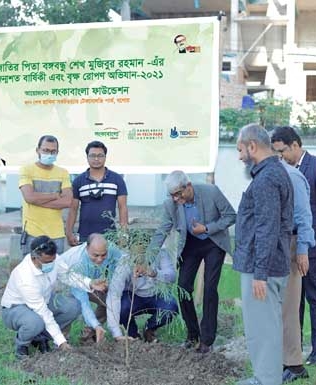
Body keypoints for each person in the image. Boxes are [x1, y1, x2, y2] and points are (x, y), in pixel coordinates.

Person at [271, 126, 316, 366]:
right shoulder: (280, 170)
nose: (280, 156)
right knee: (293, 299)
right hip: (287, 244)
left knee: (315, 295)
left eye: (282, 151)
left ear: (296, 146)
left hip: (313, 243)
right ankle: (294, 349)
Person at [148, 170, 236, 354]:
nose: (175, 199)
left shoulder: (211, 192)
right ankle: (192, 334)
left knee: (210, 289)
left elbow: (230, 215)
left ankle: (207, 339)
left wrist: (208, 228)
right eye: (172, 195)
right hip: (190, 244)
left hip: (213, 242)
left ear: (188, 186)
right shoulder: (170, 204)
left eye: (178, 194)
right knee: (183, 288)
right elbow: (161, 232)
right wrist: (147, 259)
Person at [234, 124, 293, 385]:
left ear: (252, 146)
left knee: (262, 328)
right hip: (266, 266)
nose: (239, 156)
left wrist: (260, 273)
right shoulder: (271, 173)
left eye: (240, 150)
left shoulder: (267, 179)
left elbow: (267, 228)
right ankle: (265, 376)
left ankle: (266, 380)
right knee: (266, 326)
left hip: (262, 270)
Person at [1, 235, 105, 359]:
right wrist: (61, 341)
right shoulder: (25, 277)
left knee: (73, 307)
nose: (51, 264)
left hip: (45, 300)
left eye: (53, 260)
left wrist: (90, 283)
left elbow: (69, 276)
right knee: (35, 322)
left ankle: (41, 337)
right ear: (35, 258)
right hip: (16, 308)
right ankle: (22, 344)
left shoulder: (54, 260)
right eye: (47, 262)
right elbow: (43, 313)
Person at [277, 158, 316, 383]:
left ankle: (295, 365)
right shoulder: (266, 173)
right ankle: (283, 359)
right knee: (278, 307)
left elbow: (303, 217)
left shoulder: (291, 176)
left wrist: (302, 250)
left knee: (289, 307)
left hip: (290, 244)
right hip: (276, 245)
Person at [59, 233, 123, 343]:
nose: (99, 259)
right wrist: (95, 323)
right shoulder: (77, 261)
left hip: (95, 283)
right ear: (87, 248)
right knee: (71, 308)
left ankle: (90, 334)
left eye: (103, 255)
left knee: (109, 302)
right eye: (95, 255)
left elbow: (123, 262)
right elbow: (82, 299)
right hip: (66, 283)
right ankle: (62, 341)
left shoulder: (112, 249)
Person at [106, 247, 178, 342]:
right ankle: (133, 335)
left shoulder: (161, 251)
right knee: (122, 309)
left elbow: (172, 276)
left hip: (157, 293)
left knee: (170, 307)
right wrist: (116, 334)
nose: (141, 249)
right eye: (137, 246)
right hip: (133, 296)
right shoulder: (124, 261)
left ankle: (149, 329)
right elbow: (114, 295)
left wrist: (154, 273)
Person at [66, 141, 128, 245]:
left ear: (105, 157)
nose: (96, 159)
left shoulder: (117, 179)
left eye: (100, 156)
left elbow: (123, 207)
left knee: (110, 261)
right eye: (92, 156)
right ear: (87, 157)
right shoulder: (78, 181)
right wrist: (69, 233)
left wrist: (124, 233)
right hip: (85, 236)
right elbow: (73, 209)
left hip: (110, 235)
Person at [19, 135, 72, 256]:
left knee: (54, 272)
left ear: (57, 152)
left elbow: (68, 201)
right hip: (32, 233)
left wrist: (37, 200)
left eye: (53, 151)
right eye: (46, 150)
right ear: (38, 150)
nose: (49, 154)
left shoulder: (63, 173)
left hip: (57, 234)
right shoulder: (26, 170)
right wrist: (54, 195)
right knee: (31, 271)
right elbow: (29, 197)